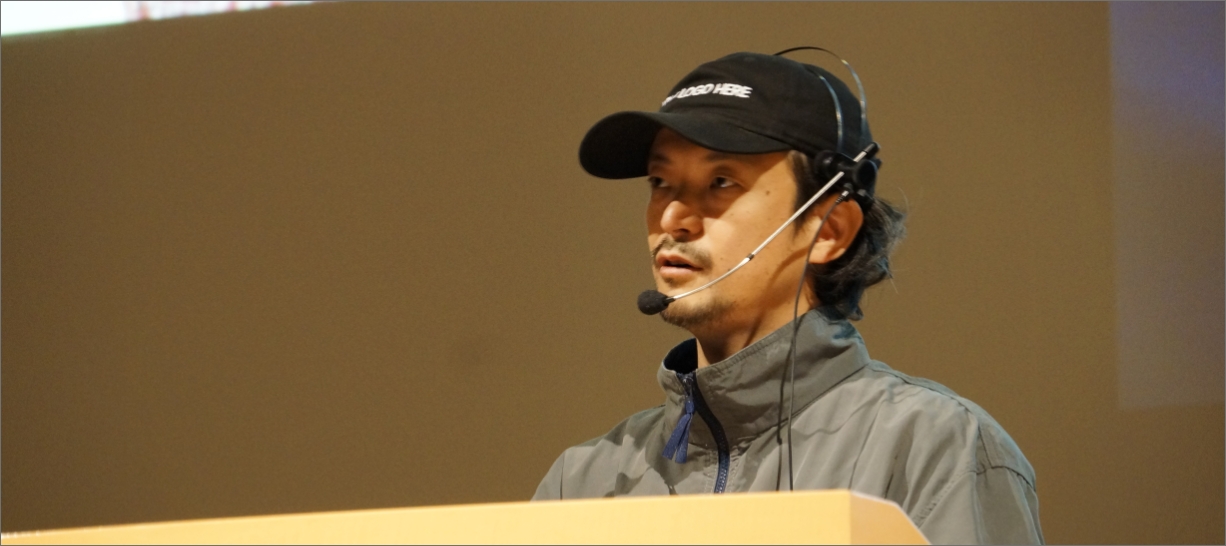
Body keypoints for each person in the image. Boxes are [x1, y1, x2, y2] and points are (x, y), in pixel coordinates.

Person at [531, 50, 1043, 545]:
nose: (671, 218)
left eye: (721, 181)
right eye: (660, 182)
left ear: (829, 230)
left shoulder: (933, 447)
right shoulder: (583, 481)